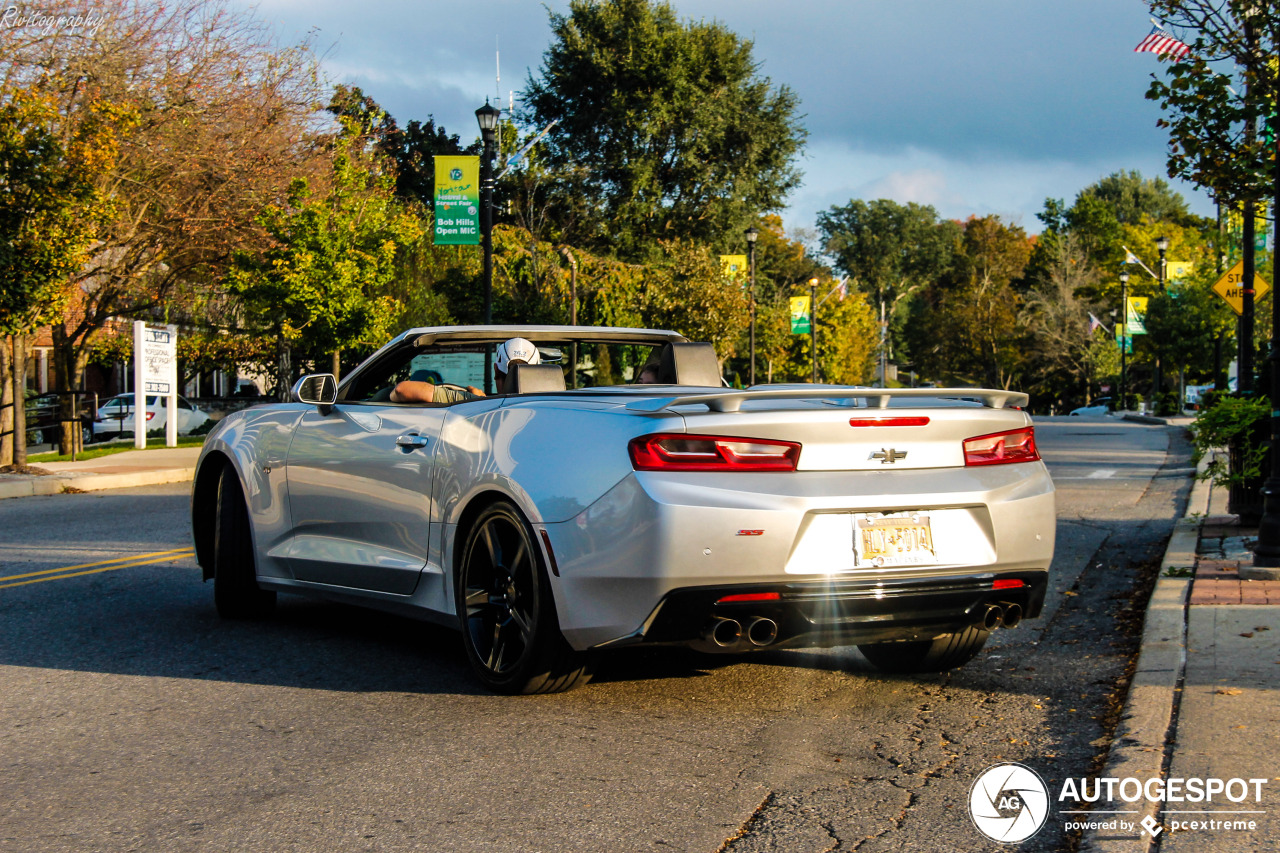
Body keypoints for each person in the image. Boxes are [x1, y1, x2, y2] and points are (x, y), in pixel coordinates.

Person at [390, 337, 541, 403]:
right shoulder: (559, 409)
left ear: (495, 370)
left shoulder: (475, 402)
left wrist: (472, 398)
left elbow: (402, 390)